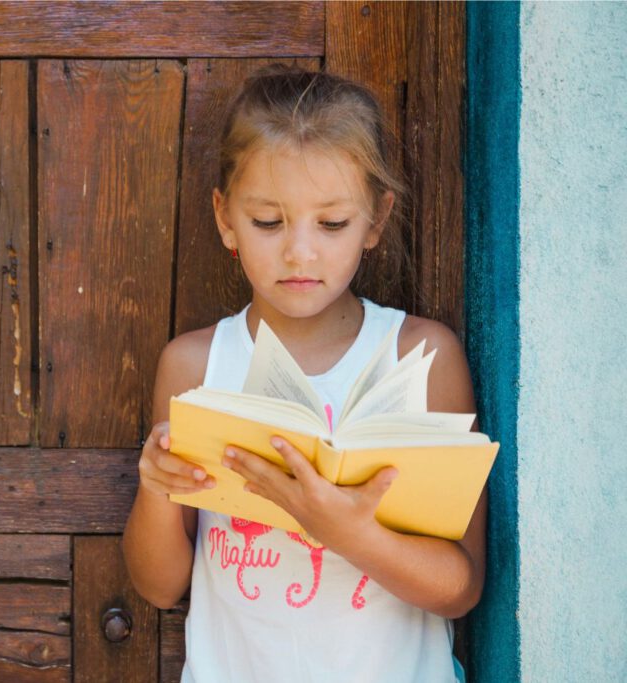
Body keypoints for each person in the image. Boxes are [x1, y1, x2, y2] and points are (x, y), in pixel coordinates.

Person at [122, 65, 485, 682]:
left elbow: (461, 588)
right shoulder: (196, 365)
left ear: (374, 220)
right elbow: (159, 587)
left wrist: (347, 532)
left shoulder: (421, 358)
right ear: (225, 217)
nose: (299, 252)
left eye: (333, 223)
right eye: (268, 221)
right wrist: (157, 487)